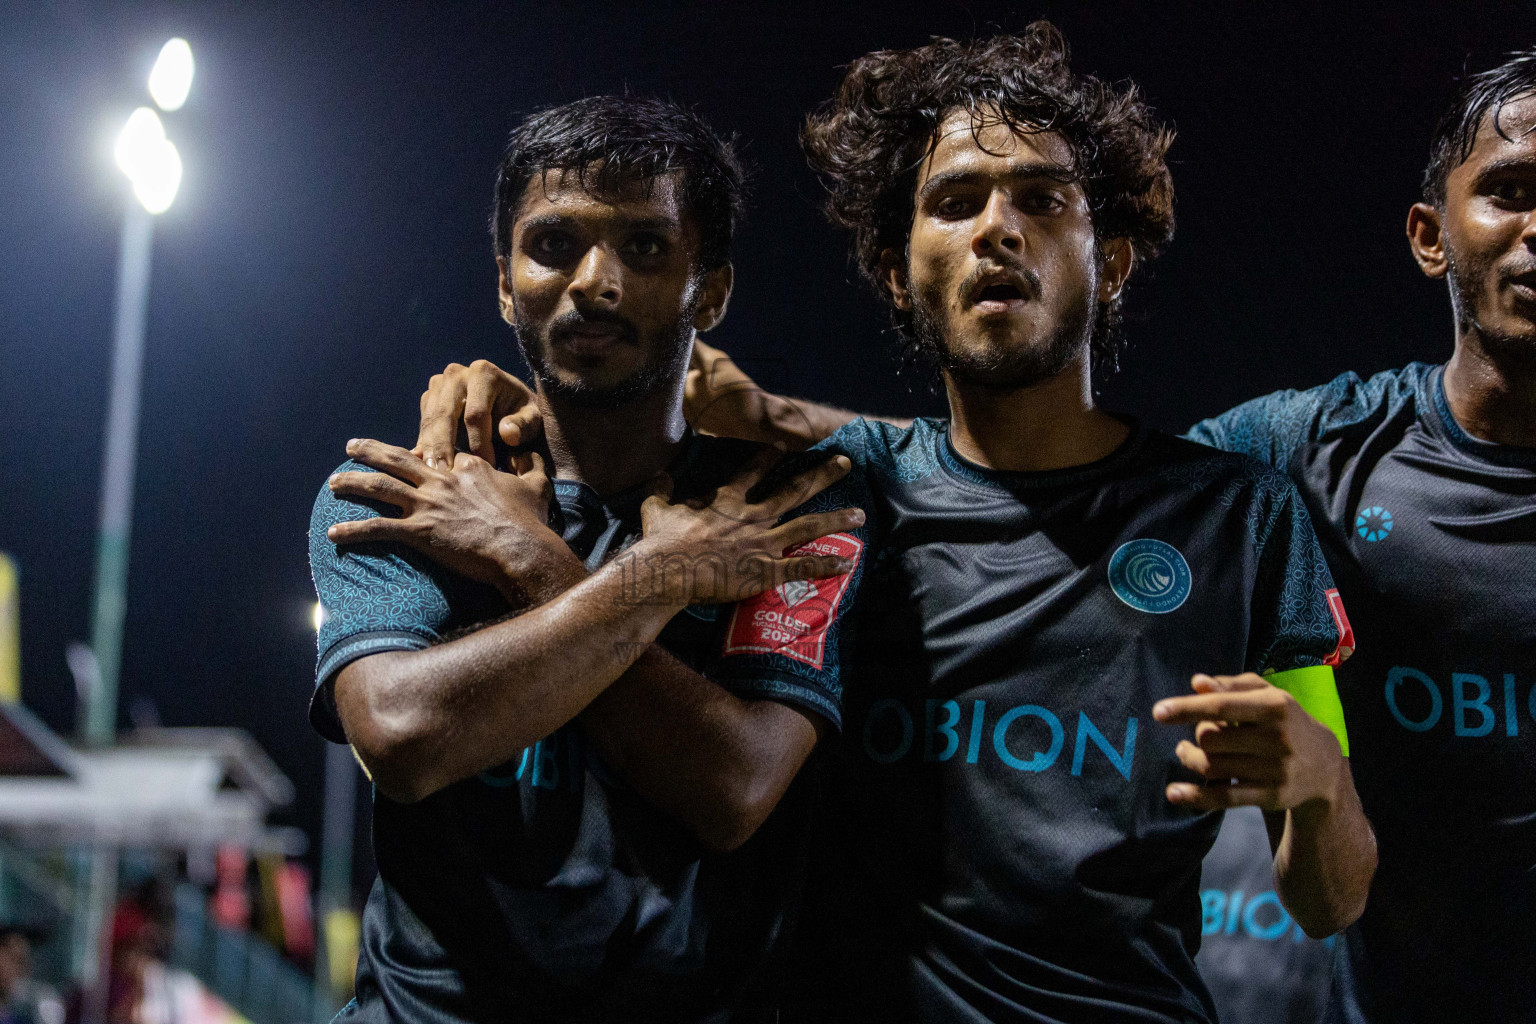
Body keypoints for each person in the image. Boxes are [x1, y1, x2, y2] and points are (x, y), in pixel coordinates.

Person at [416, 27, 1376, 1022]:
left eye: (1042, 200)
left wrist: (1316, 787)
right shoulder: (822, 497)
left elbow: (1330, 893)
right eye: (954, 203)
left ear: (1115, 258)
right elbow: (635, 404)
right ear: (896, 267)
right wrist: (493, 393)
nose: (997, 229)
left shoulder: (1242, 515)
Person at [308, 95, 865, 1023]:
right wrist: (657, 580)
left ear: (713, 290)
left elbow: (734, 787)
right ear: (502, 281)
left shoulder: (781, 513)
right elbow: (403, 739)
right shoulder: (399, 493)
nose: (594, 281)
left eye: (645, 248)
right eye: (554, 244)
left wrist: (530, 559)